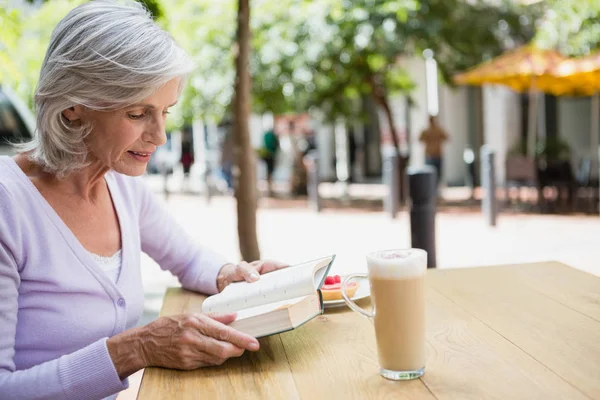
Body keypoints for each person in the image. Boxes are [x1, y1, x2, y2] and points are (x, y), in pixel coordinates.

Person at [0, 2, 288, 399]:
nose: (160, 136)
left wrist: (231, 275)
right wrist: (135, 348)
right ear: (73, 109)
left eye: (165, 112)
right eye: (138, 114)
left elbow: (186, 258)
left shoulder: (120, 183)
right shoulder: (7, 206)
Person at [419, 115, 449, 187]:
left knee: (435, 174)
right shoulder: (429, 131)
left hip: (435, 155)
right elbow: (420, 139)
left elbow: (446, 137)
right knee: (434, 174)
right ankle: (432, 188)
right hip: (431, 155)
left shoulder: (433, 130)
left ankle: (434, 188)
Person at [258, 126, 279, 196]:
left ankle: (269, 187)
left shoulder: (266, 135)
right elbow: (276, 145)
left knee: (268, 171)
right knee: (270, 171)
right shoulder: (273, 136)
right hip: (271, 156)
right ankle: (270, 187)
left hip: (267, 155)